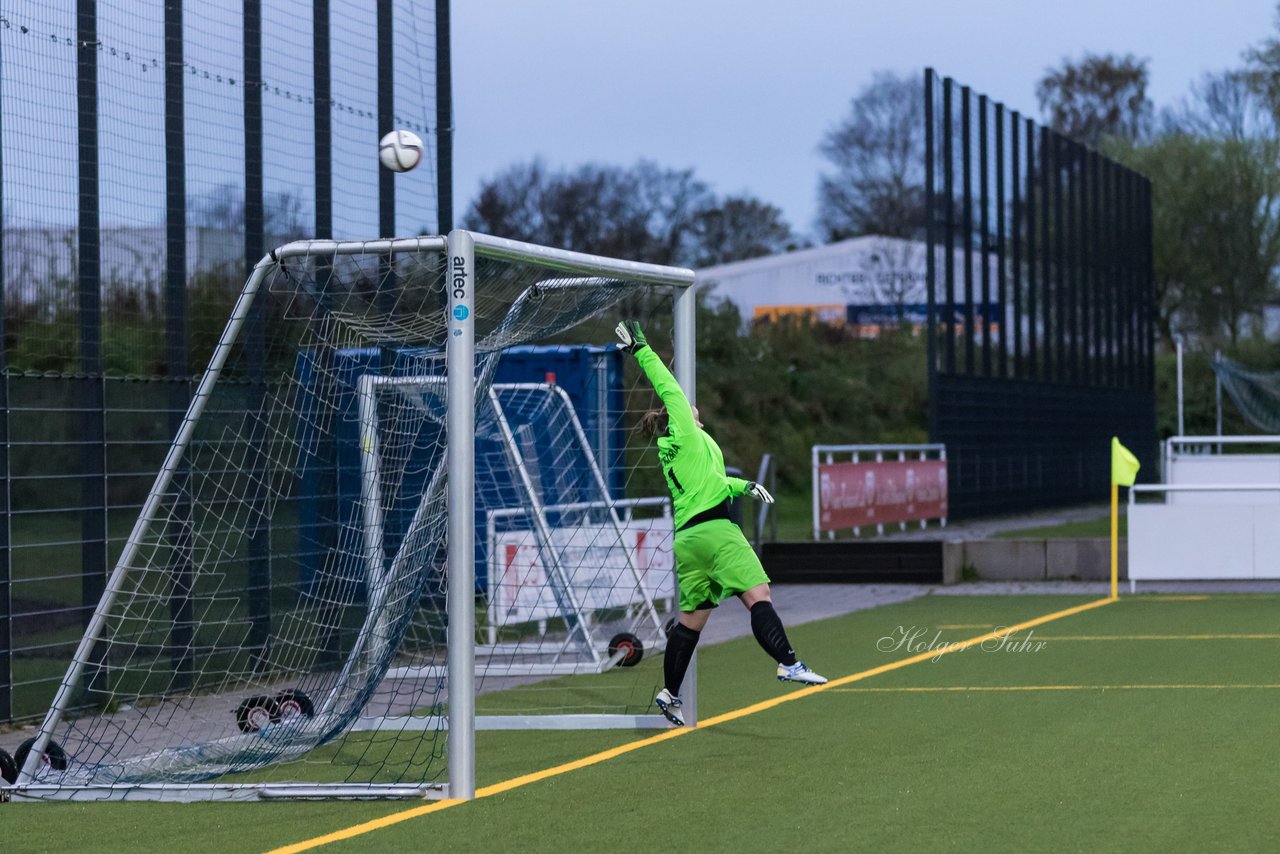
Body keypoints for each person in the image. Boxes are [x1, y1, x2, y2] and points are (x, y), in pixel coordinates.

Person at [615, 320, 826, 727]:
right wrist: (640, 347)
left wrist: (744, 485)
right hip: (715, 530)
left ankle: (669, 693)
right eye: (687, 404)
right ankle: (788, 663)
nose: (691, 404)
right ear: (680, 416)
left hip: (689, 539)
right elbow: (665, 383)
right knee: (758, 594)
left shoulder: (682, 450)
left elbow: (713, 481)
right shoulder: (686, 430)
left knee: (692, 621)